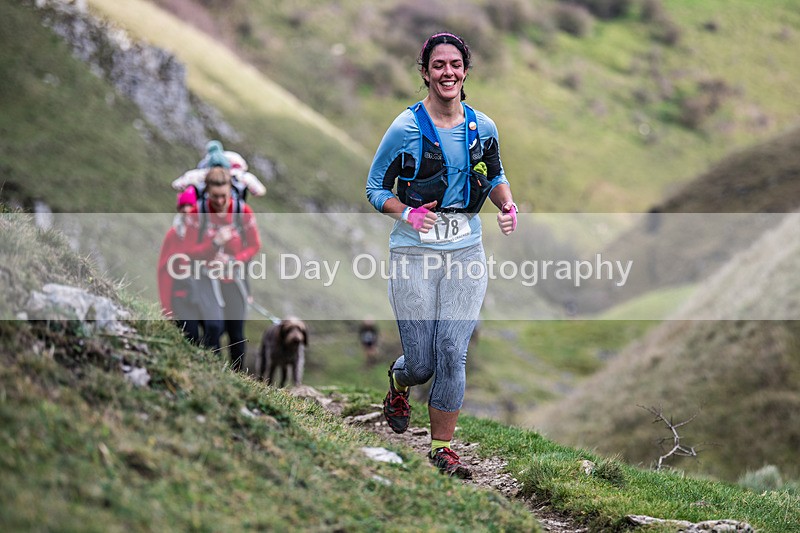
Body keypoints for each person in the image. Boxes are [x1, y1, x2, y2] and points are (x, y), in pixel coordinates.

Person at [365, 31, 518, 478]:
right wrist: (407, 213)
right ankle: (398, 380)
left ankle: (441, 449)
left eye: (455, 65)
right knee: (422, 362)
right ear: (426, 72)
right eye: (438, 65)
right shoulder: (405, 129)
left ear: (465, 71)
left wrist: (507, 205)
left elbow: (494, 174)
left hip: (465, 250)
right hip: (413, 253)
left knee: (453, 350)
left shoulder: (482, 127)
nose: (447, 72)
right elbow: (375, 188)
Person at [183, 165, 262, 371]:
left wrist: (234, 260)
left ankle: (239, 375)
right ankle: (215, 372)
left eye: (224, 196)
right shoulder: (196, 213)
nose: (219, 201)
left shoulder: (242, 212)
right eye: (215, 196)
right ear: (207, 191)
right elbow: (189, 250)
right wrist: (215, 244)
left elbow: (254, 245)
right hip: (205, 278)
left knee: (236, 332)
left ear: (231, 190)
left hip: (234, 278)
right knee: (213, 327)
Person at [157, 187, 202, 344]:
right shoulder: (173, 235)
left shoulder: (205, 233)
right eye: (182, 206)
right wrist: (166, 309)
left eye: (190, 205)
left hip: (203, 295)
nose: (186, 210)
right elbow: (164, 272)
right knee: (191, 337)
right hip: (182, 296)